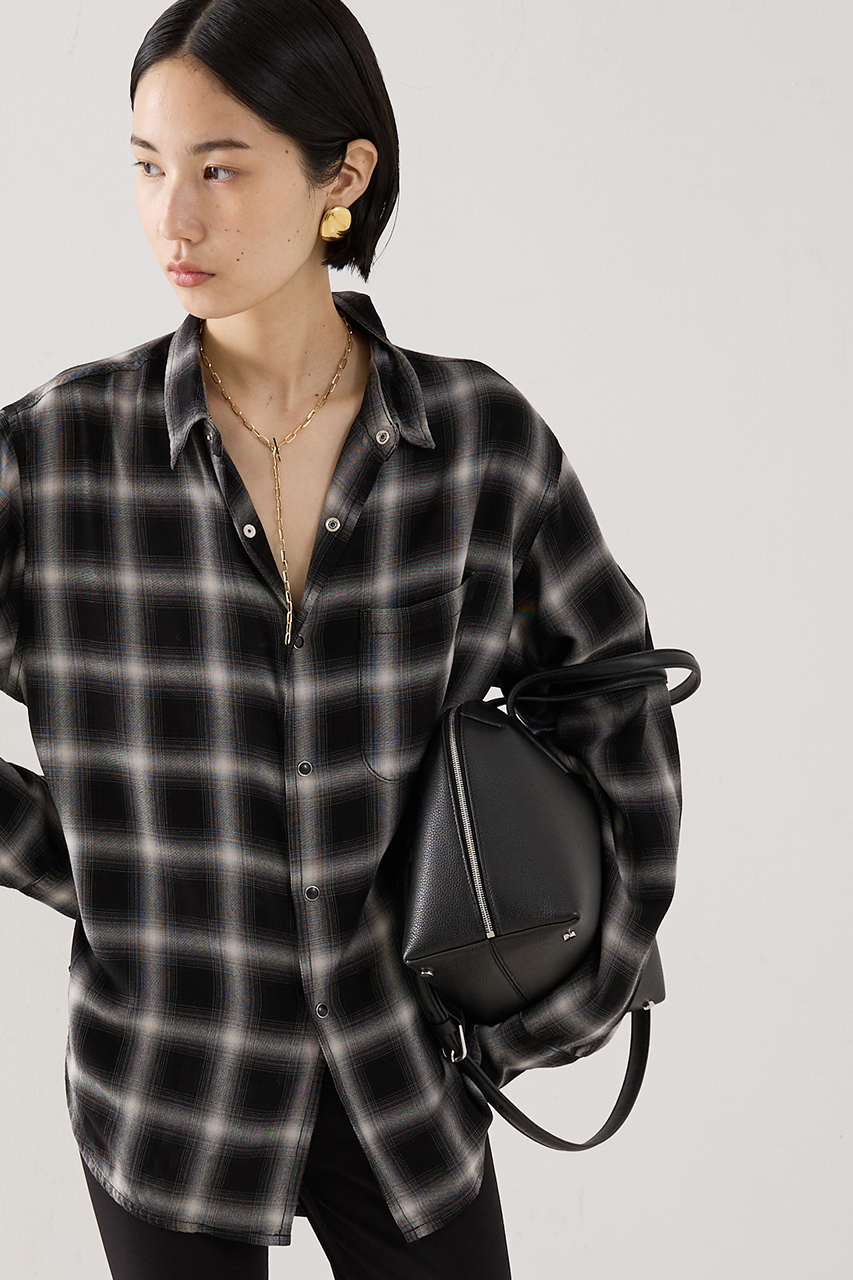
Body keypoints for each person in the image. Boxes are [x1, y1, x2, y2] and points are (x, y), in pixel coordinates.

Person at [0, 1, 683, 1276]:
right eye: (147, 166)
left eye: (218, 169)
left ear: (343, 175)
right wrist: (94, 865)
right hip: (175, 1093)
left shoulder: (478, 443)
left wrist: (572, 994)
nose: (172, 218)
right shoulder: (52, 458)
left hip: (408, 1077)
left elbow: (615, 700)